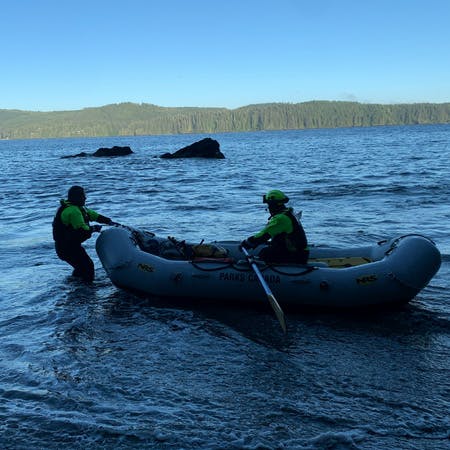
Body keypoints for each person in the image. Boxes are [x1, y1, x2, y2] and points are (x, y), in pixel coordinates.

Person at [52, 185, 113, 282]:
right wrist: (94, 228)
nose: (85, 198)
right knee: (88, 267)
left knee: (81, 267)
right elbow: (82, 230)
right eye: (82, 195)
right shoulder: (73, 211)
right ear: (75, 197)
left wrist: (109, 221)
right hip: (67, 248)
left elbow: (93, 215)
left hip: (68, 247)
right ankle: (87, 290)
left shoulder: (77, 207)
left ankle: (74, 285)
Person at [241, 189, 309, 264]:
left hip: (296, 255)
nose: (268, 208)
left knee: (266, 252)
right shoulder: (288, 212)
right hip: (300, 252)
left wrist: (247, 243)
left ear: (273, 204)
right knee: (268, 249)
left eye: (269, 205)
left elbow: (264, 234)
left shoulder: (280, 219)